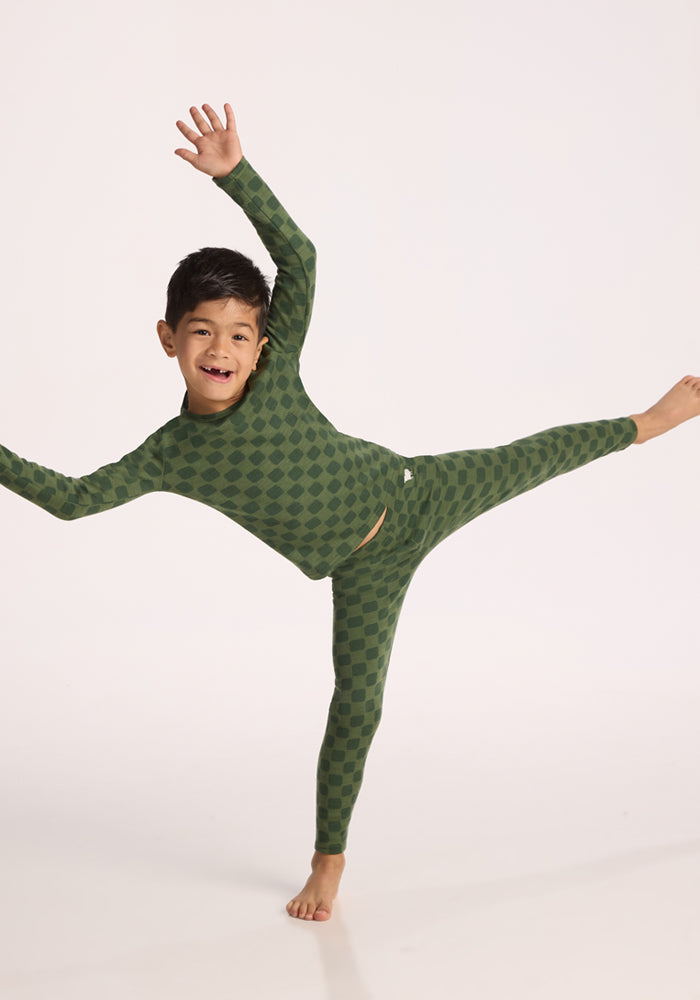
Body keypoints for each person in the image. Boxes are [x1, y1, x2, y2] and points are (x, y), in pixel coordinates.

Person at [2, 103, 699, 922]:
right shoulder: (170, 454)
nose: (220, 351)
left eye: (237, 334)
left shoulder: (275, 367)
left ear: (262, 344)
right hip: (363, 568)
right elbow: (74, 501)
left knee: (527, 459)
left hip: (410, 491)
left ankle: (646, 423)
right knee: (358, 702)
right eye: (201, 333)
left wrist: (236, 178)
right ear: (168, 339)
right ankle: (328, 860)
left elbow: (299, 257)